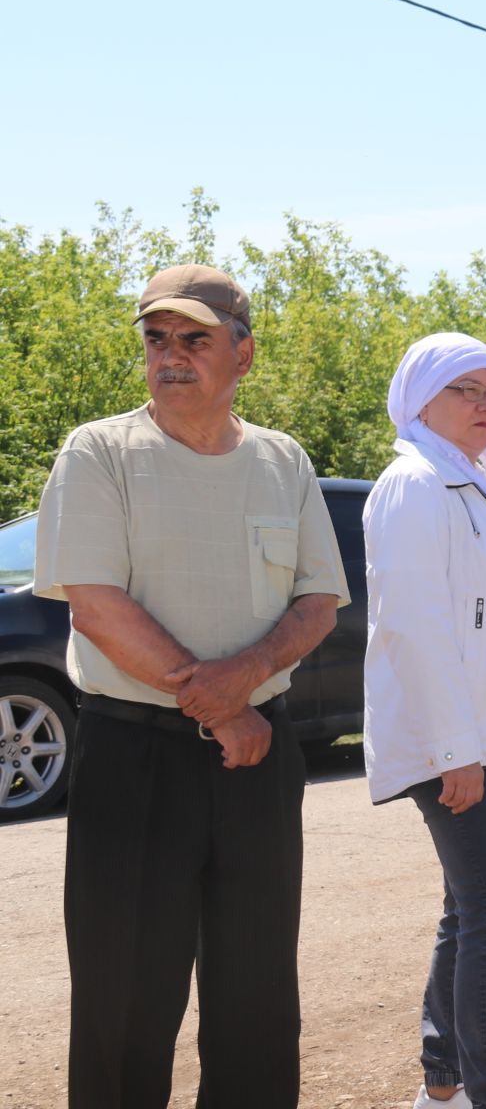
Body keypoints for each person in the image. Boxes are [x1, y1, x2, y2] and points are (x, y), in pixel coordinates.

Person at [34, 264, 349, 1108]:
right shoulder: (98, 451)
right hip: (134, 757)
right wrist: (220, 705)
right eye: (156, 338)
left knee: (256, 1002)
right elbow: (97, 608)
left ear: (242, 354)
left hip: (258, 759)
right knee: (125, 1004)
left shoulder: (282, 460)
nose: (170, 355)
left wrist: (243, 692)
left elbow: (320, 599)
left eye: (194, 339)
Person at [363, 333, 486, 1109]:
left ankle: (443, 1087)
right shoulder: (415, 484)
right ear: (420, 400)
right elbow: (417, 627)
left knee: (468, 907)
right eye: (466, 390)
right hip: (455, 742)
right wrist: (458, 751)